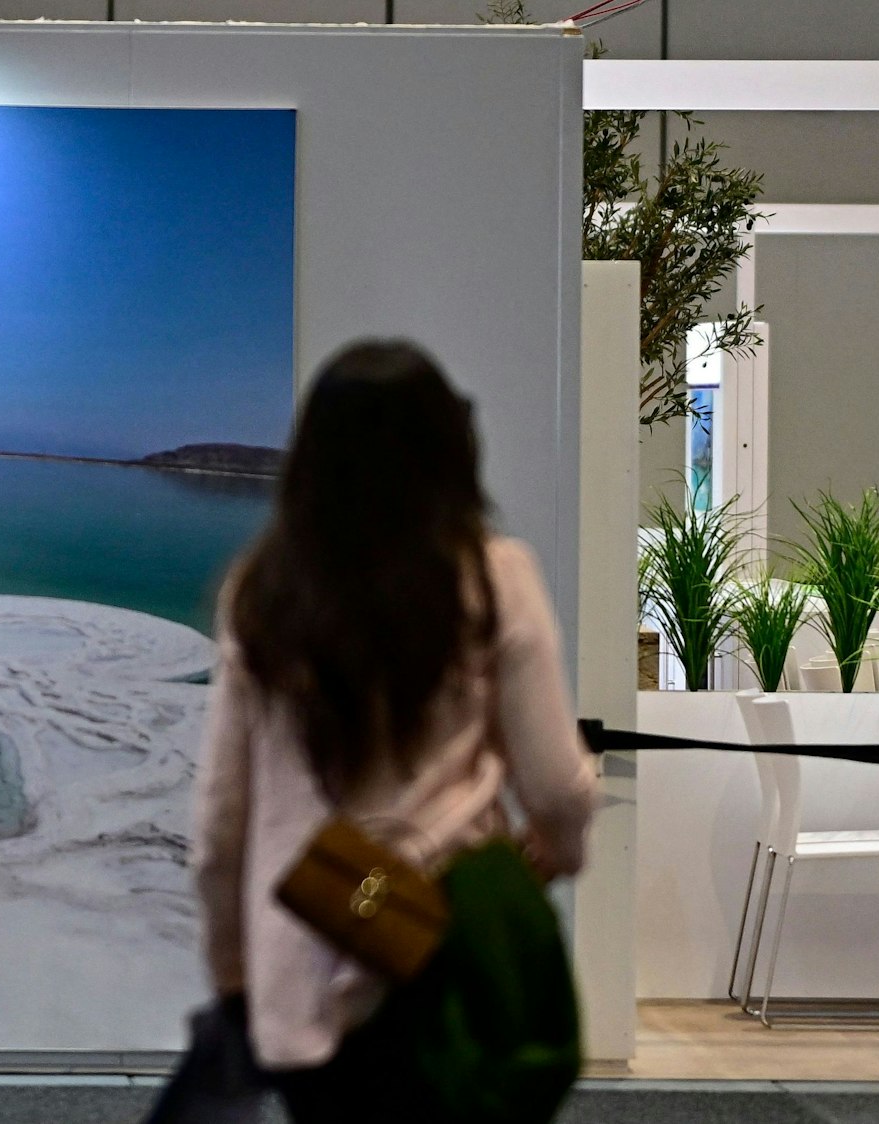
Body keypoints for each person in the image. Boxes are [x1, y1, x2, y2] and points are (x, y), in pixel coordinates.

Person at [191, 341, 598, 1119]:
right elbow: (555, 785)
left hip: (306, 965)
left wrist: (236, 978)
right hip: (447, 949)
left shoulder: (260, 594)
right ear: (450, 449)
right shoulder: (493, 577)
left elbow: (219, 826)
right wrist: (558, 850)